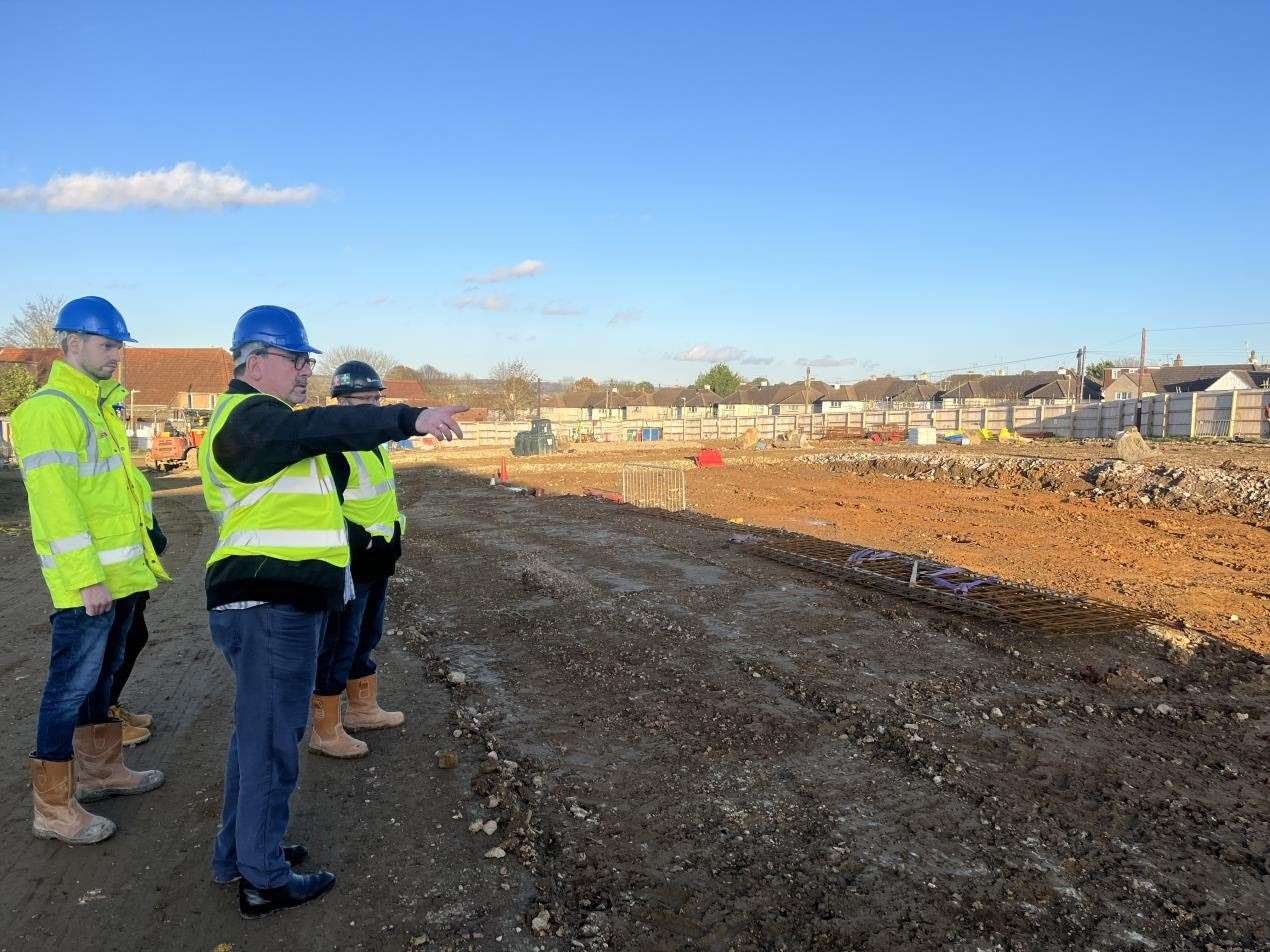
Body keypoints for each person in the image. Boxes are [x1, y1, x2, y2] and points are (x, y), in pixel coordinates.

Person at [199, 305, 465, 918]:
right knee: (271, 744)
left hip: (274, 600)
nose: (304, 369)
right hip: (269, 604)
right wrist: (409, 418)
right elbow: (319, 426)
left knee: (257, 738)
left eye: (307, 360)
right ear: (253, 360)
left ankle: (238, 853)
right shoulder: (250, 420)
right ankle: (263, 877)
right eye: (296, 359)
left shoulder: (261, 422)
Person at [11, 296, 168, 846]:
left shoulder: (98, 406)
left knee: (103, 676)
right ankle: (53, 807)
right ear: (72, 343)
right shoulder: (48, 411)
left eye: (119, 346)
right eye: (108, 345)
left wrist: (146, 542)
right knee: (68, 687)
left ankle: (102, 771)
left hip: (120, 575)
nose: (117, 356)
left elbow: (118, 493)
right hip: (89, 582)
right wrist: (85, 578)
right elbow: (57, 507)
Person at [309, 361, 406, 760]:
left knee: (367, 634)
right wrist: (360, 542)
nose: (371, 408)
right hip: (351, 560)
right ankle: (325, 728)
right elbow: (323, 508)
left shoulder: (374, 443)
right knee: (338, 642)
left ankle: (363, 709)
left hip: (378, 556)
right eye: (362, 401)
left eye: (375, 400)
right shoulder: (335, 447)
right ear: (341, 402)